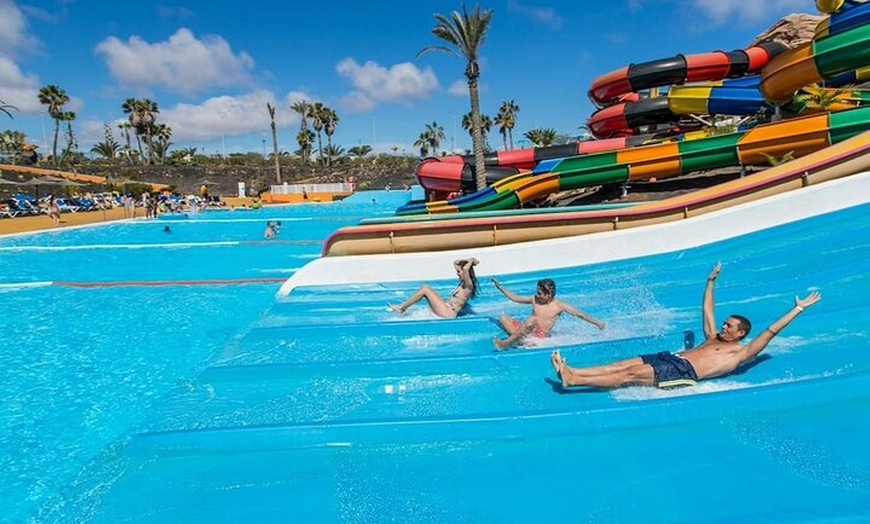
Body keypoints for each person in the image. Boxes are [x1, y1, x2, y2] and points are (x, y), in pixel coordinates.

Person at [550, 262, 822, 389]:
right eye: (725, 324)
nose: (724, 328)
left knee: (630, 374)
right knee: (622, 363)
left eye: (729, 327)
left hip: (682, 370)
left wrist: (797, 308)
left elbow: (770, 332)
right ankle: (574, 371)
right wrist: (711, 281)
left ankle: (574, 380)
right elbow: (707, 309)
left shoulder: (740, 352)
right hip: (671, 357)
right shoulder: (712, 338)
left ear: (741, 333)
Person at [492, 278, 605, 349]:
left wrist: (598, 323)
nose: (537, 295)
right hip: (527, 329)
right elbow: (515, 298)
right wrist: (500, 287)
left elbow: (580, 314)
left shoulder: (559, 306)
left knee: (533, 319)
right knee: (503, 317)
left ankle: (506, 343)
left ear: (549, 295)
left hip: (538, 335)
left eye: (540, 293)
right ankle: (521, 339)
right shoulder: (534, 299)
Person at [388, 258, 480, 318]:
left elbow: (464, 270)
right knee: (427, 289)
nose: (457, 273)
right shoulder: (462, 284)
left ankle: (402, 307)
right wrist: (468, 260)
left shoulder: (468, 286)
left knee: (425, 288)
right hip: (446, 308)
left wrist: (472, 261)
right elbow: (455, 262)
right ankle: (403, 306)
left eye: (459, 272)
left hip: (448, 313)